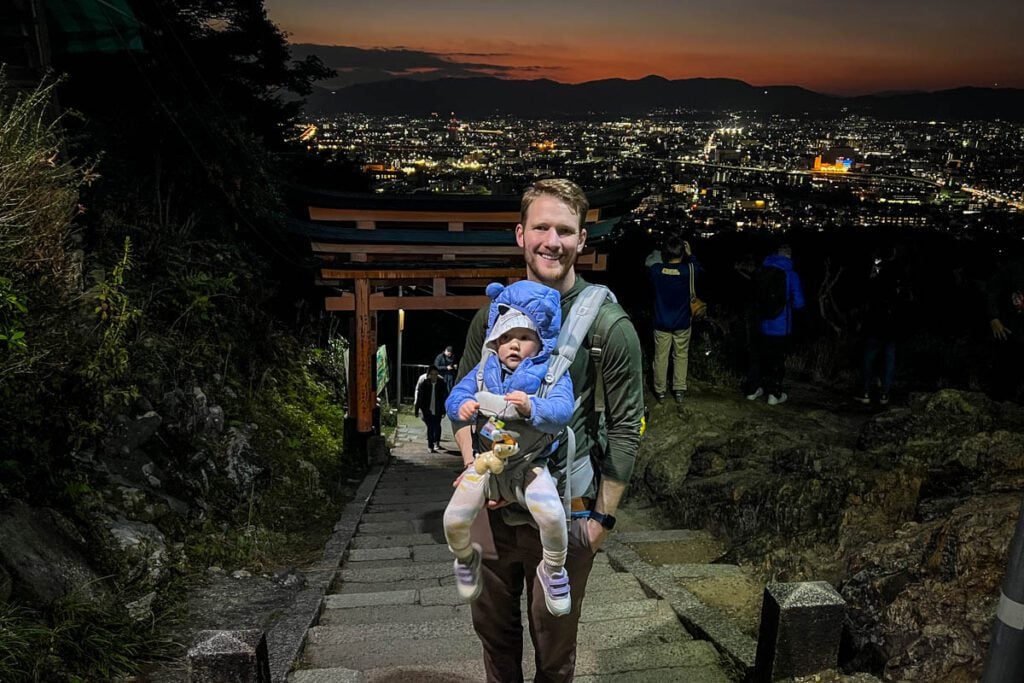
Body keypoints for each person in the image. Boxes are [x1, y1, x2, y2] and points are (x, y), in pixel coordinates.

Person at [452, 178, 644, 681]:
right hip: (491, 508)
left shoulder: (608, 327)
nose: (552, 241)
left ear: (583, 240)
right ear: (520, 234)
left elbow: (626, 427)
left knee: (554, 644)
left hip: (565, 506)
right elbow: (464, 403)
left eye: (565, 230)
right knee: (493, 636)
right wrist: (478, 469)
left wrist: (601, 521)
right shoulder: (492, 318)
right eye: (541, 227)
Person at [443, 280, 575, 616]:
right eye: (505, 337)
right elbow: (456, 395)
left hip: (529, 465)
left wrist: (533, 408)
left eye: (524, 337)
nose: (513, 345)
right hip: (486, 463)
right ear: (494, 340)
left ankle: (554, 569)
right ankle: (465, 557)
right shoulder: (483, 370)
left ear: (540, 340)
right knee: (455, 518)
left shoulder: (553, 373)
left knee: (552, 514)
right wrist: (462, 407)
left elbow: (563, 410)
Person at [746, 244, 805, 406]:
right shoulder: (791, 275)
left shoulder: (762, 271)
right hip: (780, 326)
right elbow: (800, 303)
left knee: (758, 358)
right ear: (789, 256)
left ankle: (752, 390)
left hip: (760, 323)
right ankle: (774, 394)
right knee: (777, 360)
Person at [649, 235, 700, 403]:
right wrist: (690, 254)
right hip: (682, 322)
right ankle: (679, 389)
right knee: (681, 355)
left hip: (661, 322)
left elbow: (649, 260)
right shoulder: (688, 271)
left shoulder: (656, 271)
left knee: (660, 357)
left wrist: (659, 250)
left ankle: (660, 391)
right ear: (682, 253)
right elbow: (697, 266)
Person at [855, 248, 906, 406]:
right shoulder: (899, 277)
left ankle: (865, 392)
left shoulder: (878, 277)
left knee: (869, 357)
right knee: (889, 358)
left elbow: (867, 295)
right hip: (892, 325)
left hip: (875, 324)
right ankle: (884, 394)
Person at [985, 250, 1024, 401]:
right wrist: (994, 318)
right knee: (1005, 375)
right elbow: (992, 291)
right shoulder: (1014, 269)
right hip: (1011, 332)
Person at [414, 366, 448, 452]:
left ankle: (437, 441)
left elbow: (444, 397)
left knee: (437, 425)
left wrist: (444, 410)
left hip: (437, 408)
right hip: (427, 408)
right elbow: (420, 398)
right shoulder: (424, 384)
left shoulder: (441, 384)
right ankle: (430, 445)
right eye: (432, 374)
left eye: (436, 374)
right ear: (429, 375)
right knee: (430, 427)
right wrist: (417, 409)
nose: (434, 376)